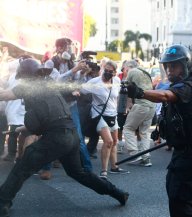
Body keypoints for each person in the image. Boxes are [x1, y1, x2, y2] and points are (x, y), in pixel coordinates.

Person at [0, 59, 128, 217]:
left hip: (57, 137)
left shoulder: (28, 86)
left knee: (21, 167)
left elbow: (4, 95)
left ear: (25, 75)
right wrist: (18, 129)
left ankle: (2, 202)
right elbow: (47, 117)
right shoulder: (48, 85)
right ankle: (118, 193)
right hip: (70, 135)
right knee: (79, 173)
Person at [126, 45, 192, 217]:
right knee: (179, 194)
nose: (169, 70)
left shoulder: (189, 87)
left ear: (185, 66)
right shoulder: (182, 84)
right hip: (186, 150)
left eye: (174, 66)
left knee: (180, 198)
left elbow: (166, 96)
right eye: (167, 66)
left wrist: (140, 92)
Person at [80, 60, 129, 178]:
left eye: (110, 71)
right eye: (105, 70)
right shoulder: (95, 82)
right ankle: (103, 171)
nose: (107, 73)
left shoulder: (117, 80)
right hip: (98, 114)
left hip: (112, 114)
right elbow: (81, 90)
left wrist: (123, 108)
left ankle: (114, 167)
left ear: (114, 73)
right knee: (108, 142)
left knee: (115, 142)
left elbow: (116, 97)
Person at [123, 60, 156, 167]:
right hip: (151, 105)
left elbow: (126, 88)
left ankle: (135, 155)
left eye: (125, 69)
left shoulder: (132, 71)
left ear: (129, 67)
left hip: (141, 104)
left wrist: (127, 106)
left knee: (128, 128)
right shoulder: (145, 72)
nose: (125, 71)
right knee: (144, 132)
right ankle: (146, 159)